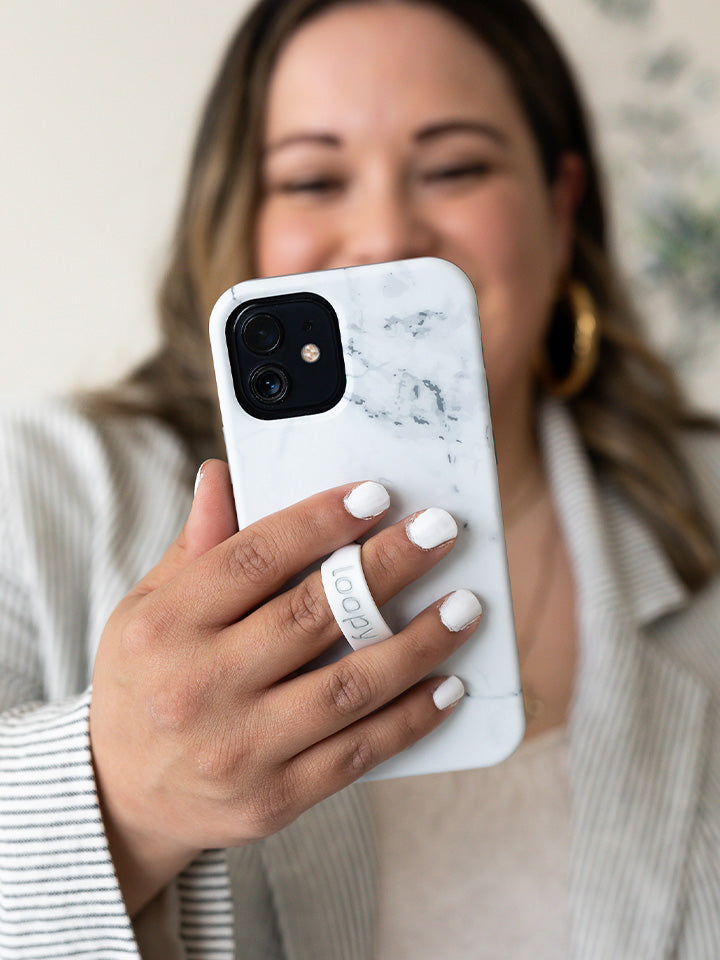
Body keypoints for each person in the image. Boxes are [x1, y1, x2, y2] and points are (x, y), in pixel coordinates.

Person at [1, 0, 719, 957]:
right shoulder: (46, 492)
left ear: (559, 203)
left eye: (457, 166)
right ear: (240, 219)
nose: (385, 235)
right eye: (312, 178)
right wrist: (122, 800)